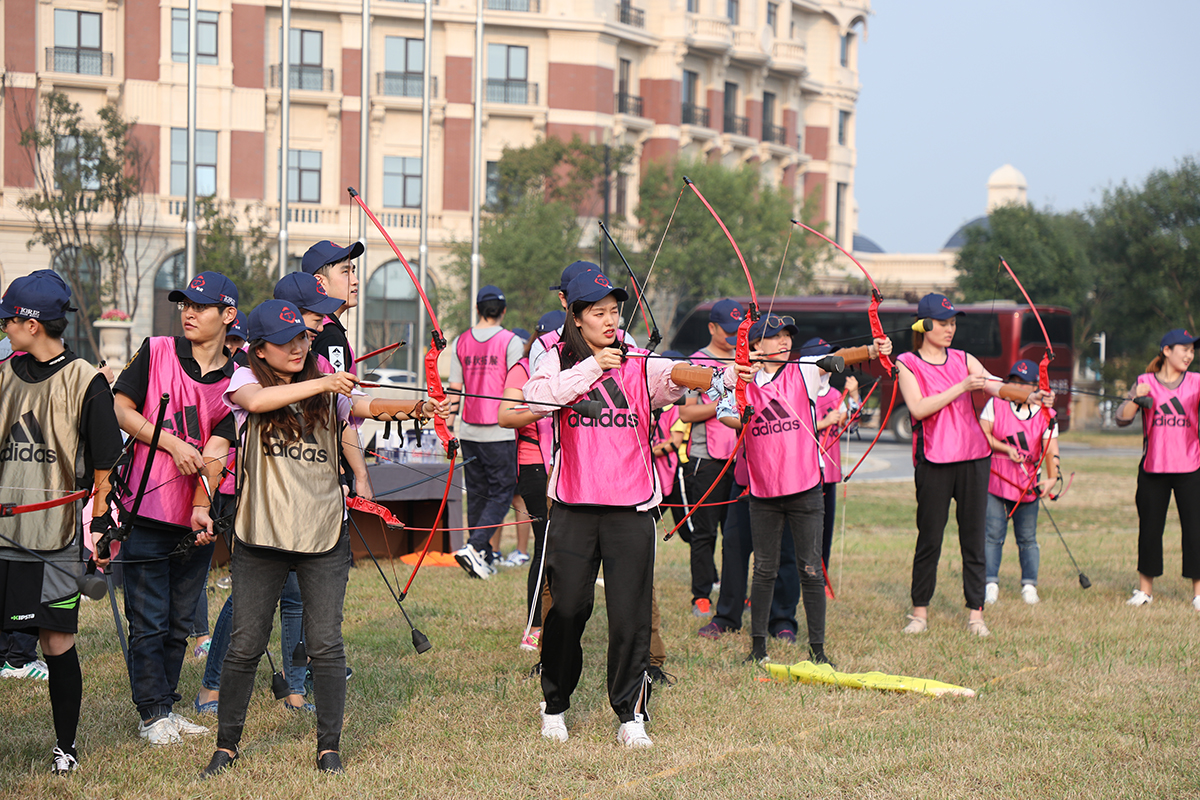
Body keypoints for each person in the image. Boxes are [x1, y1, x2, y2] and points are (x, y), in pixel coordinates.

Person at [192, 300, 447, 778]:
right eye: (284, 341)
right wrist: (326, 383)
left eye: (301, 338)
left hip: (324, 532)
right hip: (261, 534)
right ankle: (226, 746)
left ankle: (329, 749)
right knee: (246, 644)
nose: (297, 347)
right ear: (259, 349)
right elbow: (257, 403)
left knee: (326, 644)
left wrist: (417, 407)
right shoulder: (245, 380)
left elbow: (365, 407)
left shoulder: (325, 381)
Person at [524, 268, 730, 747]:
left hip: (631, 506)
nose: (610, 320)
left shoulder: (637, 359)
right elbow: (536, 400)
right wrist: (593, 367)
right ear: (576, 317)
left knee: (630, 614)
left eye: (615, 312)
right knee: (568, 609)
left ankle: (631, 714)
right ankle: (554, 704)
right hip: (573, 503)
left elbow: (671, 379)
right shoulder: (555, 357)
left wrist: (714, 377)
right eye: (598, 313)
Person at [0, 270, 123, 773]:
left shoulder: (85, 380)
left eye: (9, 319)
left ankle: (66, 747)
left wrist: (101, 525)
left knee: (56, 642)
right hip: (3, 534)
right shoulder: (3, 373)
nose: (4, 326)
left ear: (31, 324)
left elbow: (105, 465)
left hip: (55, 539)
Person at [112, 270, 241, 744]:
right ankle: (151, 715)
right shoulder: (156, 349)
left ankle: (165, 707)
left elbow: (219, 447)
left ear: (228, 315)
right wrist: (170, 443)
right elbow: (121, 409)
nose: (188, 313)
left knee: (179, 622)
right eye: (185, 304)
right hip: (146, 507)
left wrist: (204, 497)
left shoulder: (238, 380)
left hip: (197, 516)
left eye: (201, 306)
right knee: (148, 620)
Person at [717, 314, 890, 664]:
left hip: (805, 489)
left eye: (787, 336)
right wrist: (741, 397)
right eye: (775, 336)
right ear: (755, 345)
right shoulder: (741, 380)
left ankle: (818, 652)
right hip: (763, 492)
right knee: (763, 569)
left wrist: (873, 349)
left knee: (810, 568)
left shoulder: (805, 370)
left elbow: (838, 358)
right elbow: (724, 413)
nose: (784, 341)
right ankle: (757, 648)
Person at [895, 293, 1053, 637]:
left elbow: (996, 386)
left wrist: (1030, 395)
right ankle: (919, 614)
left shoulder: (964, 358)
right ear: (924, 326)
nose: (950, 329)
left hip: (974, 458)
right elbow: (919, 408)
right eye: (943, 323)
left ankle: (975, 615)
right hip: (934, 459)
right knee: (930, 539)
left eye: (953, 323)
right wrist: (961, 386)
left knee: (974, 539)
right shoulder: (907, 362)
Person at [1115, 328, 1200, 609]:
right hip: (1153, 466)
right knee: (1150, 530)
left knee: (1195, 530)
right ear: (1166, 351)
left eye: (1192, 350)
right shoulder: (1144, 382)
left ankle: (1199, 593)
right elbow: (1122, 419)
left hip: (1190, 466)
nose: (1189, 355)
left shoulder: (1197, 381)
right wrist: (1135, 398)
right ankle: (1145, 591)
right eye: (1184, 349)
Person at [450, 285, 524, 577]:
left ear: (477, 309)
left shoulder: (461, 341)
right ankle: (476, 546)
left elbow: (454, 390)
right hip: (500, 430)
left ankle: (480, 556)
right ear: (503, 311)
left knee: (477, 494)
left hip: (468, 430)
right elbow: (516, 387)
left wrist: (448, 427)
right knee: (502, 492)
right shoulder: (511, 341)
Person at [679, 299, 743, 616]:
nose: (733, 337)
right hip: (706, 460)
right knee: (704, 532)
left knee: (736, 535)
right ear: (711, 328)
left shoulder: (746, 360)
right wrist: (723, 406)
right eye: (727, 331)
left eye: (738, 331)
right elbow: (686, 413)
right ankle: (701, 596)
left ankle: (734, 594)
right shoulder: (696, 363)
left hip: (741, 458)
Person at [981, 359, 1059, 606]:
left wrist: (1052, 478)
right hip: (996, 480)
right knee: (993, 535)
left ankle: (1029, 586)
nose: (1019, 387)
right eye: (1014, 382)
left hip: (1027, 483)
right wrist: (1006, 449)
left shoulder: (1046, 414)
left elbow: (1050, 450)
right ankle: (990, 584)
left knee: (1027, 537)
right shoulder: (996, 403)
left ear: (1037, 386)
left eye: (1025, 384)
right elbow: (982, 434)